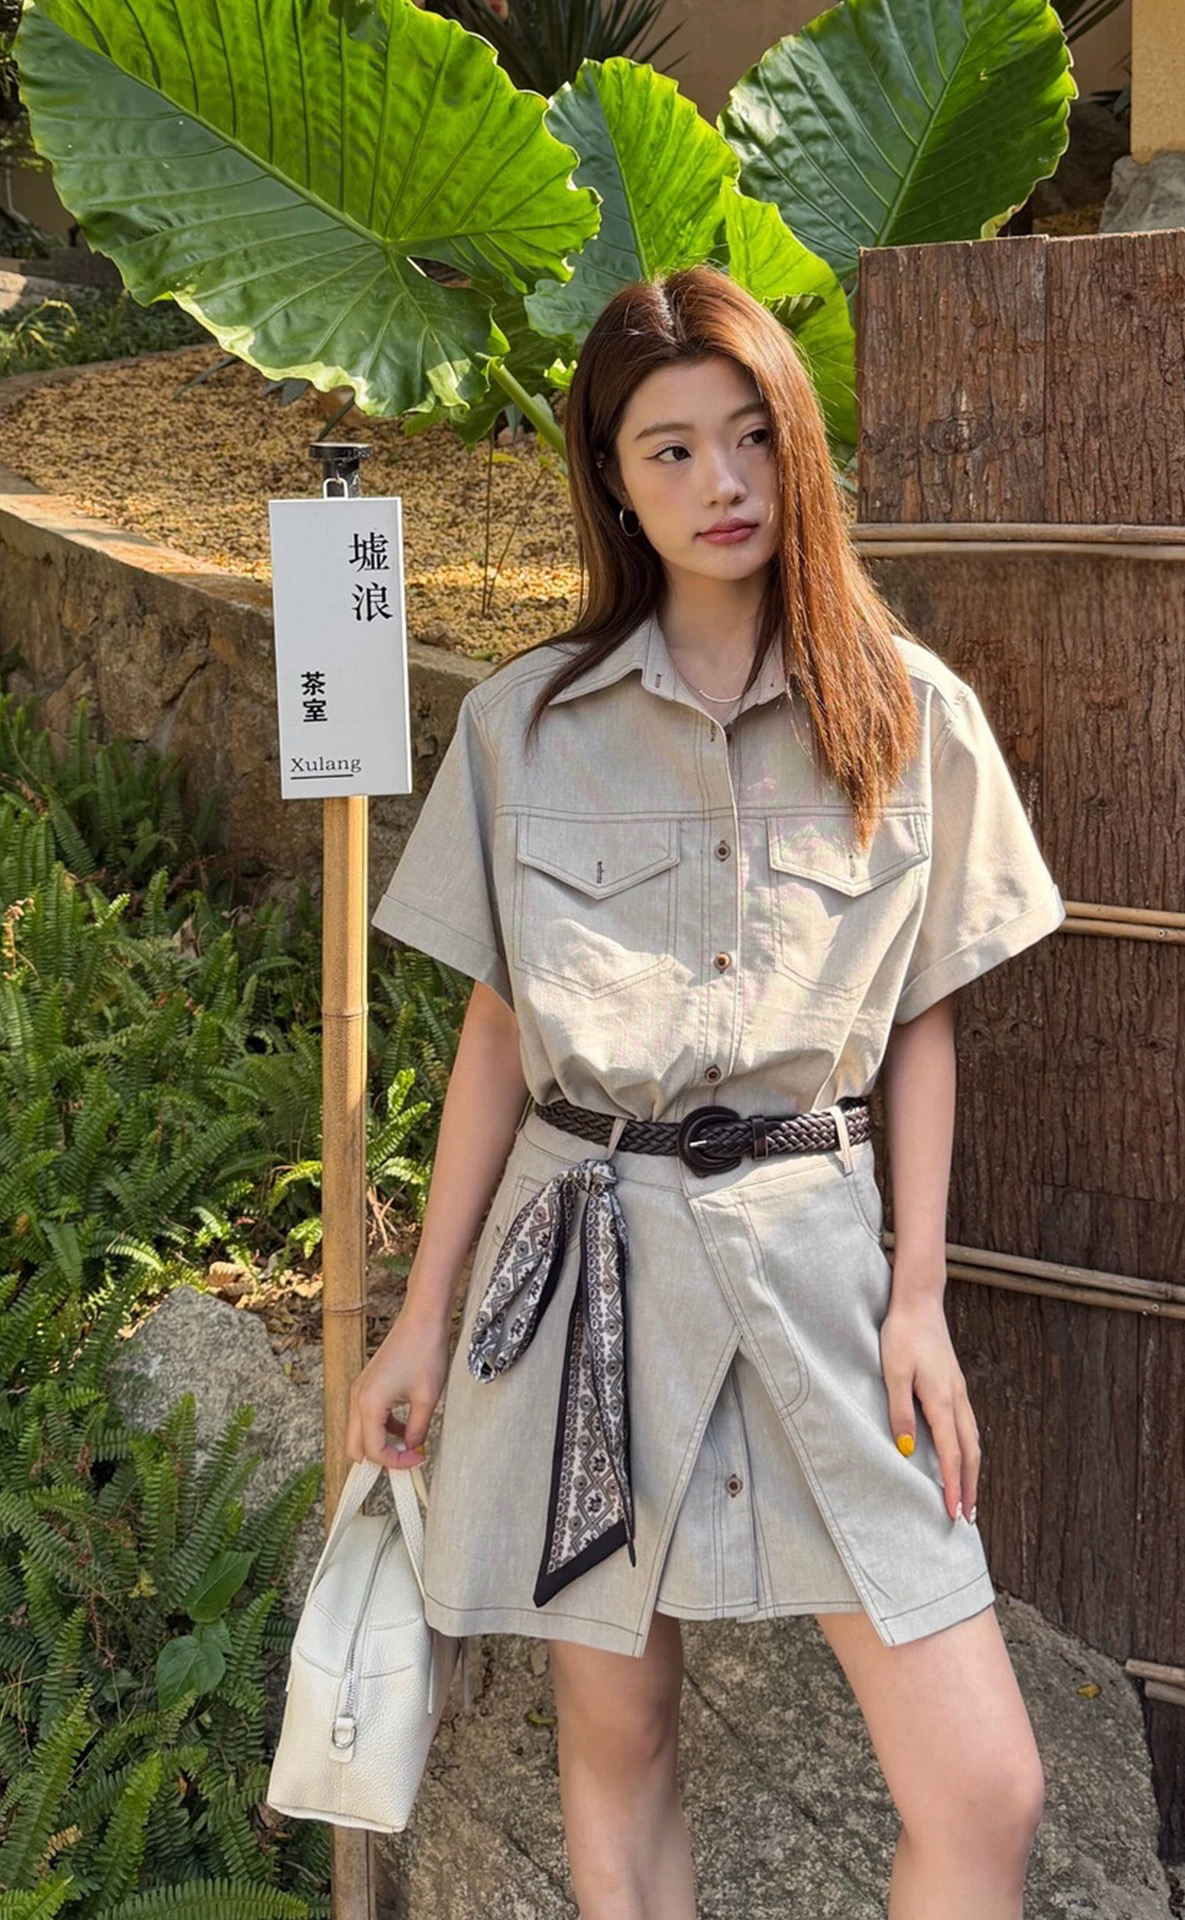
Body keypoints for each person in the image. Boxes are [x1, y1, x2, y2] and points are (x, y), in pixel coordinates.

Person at [351, 262, 1067, 1919]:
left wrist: (921, 1293)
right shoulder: (527, 724)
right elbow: (496, 1037)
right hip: (585, 1268)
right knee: (621, 1737)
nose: (720, 482)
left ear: (796, 443)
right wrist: (421, 1317)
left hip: (819, 1270)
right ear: (613, 479)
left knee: (986, 1788)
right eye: (668, 450)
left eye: (749, 436)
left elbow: (926, 1021)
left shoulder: (910, 712)